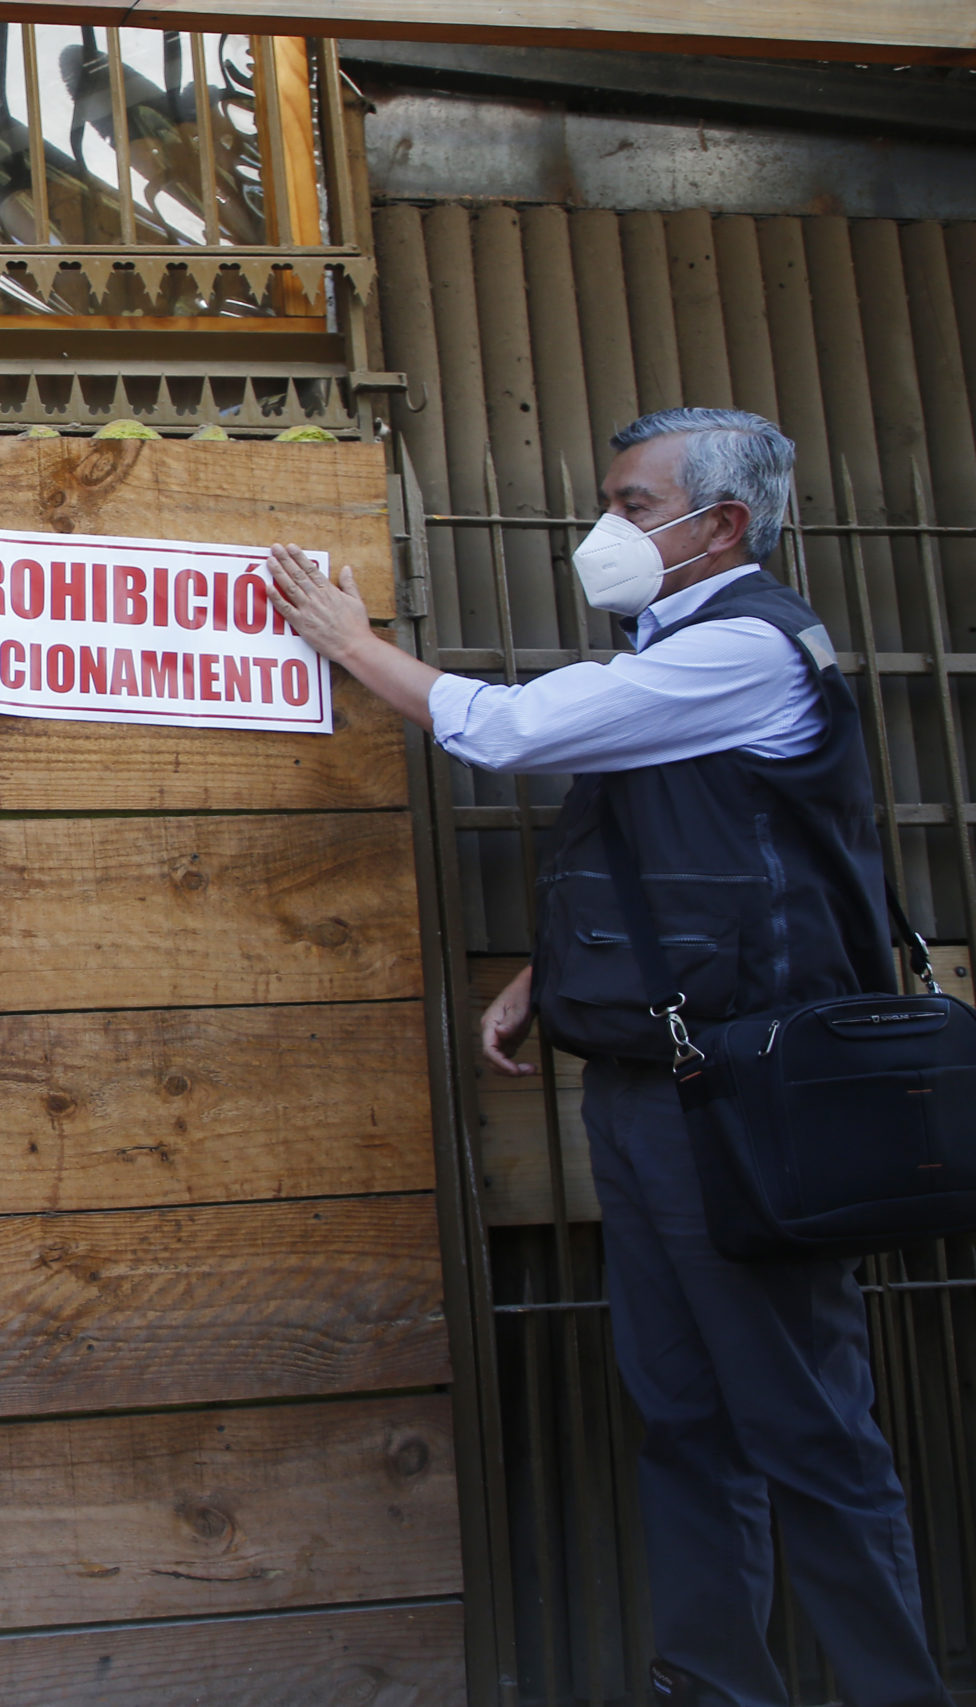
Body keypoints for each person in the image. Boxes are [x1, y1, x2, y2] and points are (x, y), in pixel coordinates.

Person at [266, 407, 947, 1707]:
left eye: (633, 505)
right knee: (684, 1419)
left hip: (752, 1097)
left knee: (804, 1427)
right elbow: (675, 855)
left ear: (722, 525)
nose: (606, 528)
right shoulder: (669, 648)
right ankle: (715, 1687)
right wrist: (553, 972)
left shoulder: (749, 647)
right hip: (652, 1090)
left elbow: (512, 732)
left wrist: (353, 644)